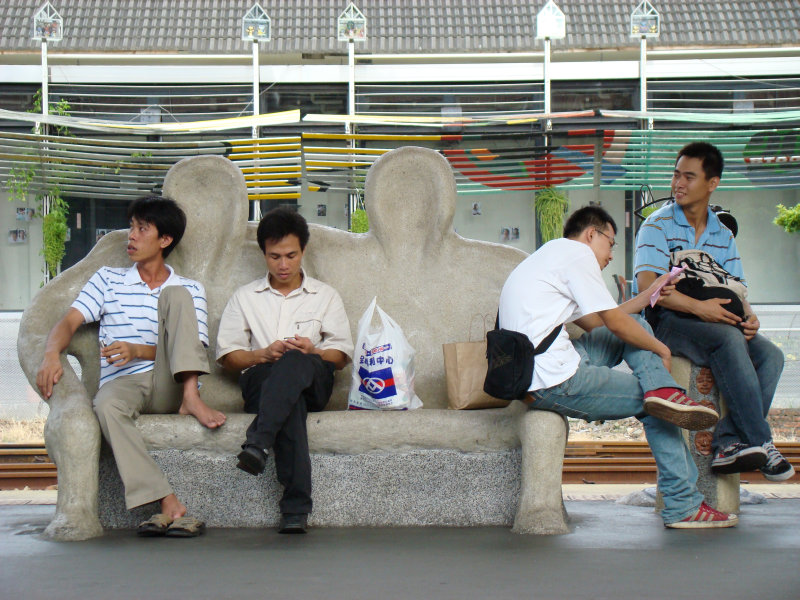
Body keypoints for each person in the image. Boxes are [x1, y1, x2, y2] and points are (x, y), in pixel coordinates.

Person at [501, 205, 737, 528]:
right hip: (554, 379)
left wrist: (650, 294)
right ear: (591, 235)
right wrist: (660, 348)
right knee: (656, 405)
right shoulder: (577, 256)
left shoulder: (551, 255)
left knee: (638, 329)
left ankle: (663, 389)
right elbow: (612, 322)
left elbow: (599, 322)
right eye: (611, 243)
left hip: (537, 368)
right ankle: (683, 504)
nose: (611, 254)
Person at [36, 195, 225, 537]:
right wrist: (51, 354)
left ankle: (191, 398)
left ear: (165, 240)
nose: (131, 236)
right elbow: (68, 322)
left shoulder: (190, 290)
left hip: (172, 382)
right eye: (132, 228)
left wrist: (137, 349)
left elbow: (191, 349)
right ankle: (167, 501)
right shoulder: (108, 279)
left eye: (142, 229)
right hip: (123, 385)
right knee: (105, 405)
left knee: (176, 295)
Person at [634, 142, 791, 481]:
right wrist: (699, 308)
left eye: (689, 177)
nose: (678, 183)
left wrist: (749, 317)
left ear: (712, 183)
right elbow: (649, 289)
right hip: (668, 321)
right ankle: (761, 442)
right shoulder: (656, 226)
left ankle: (728, 443)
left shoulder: (724, 235)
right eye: (676, 175)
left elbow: (738, 288)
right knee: (727, 340)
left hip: (715, 317)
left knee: (771, 356)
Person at [216, 207, 353, 534]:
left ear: (303, 251)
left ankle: (259, 441)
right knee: (290, 402)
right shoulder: (245, 297)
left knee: (297, 361)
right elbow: (228, 357)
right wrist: (262, 354)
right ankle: (295, 509)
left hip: (313, 378)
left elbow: (343, 355)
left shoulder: (326, 295)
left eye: (291, 255)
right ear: (264, 254)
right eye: (274, 256)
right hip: (262, 382)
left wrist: (314, 351)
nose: (283, 264)